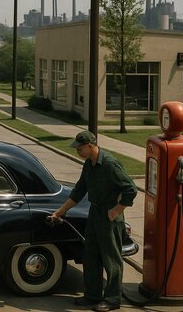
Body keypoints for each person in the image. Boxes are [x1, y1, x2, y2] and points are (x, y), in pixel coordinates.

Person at [49, 131, 137, 312]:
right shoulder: (89, 164)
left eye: (80, 149)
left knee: (111, 260)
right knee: (91, 257)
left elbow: (131, 189)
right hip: (95, 213)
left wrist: (116, 210)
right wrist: (60, 212)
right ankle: (92, 296)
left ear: (90, 146)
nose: (78, 152)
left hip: (109, 215)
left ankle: (113, 300)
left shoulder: (110, 164)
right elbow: (79, 190)